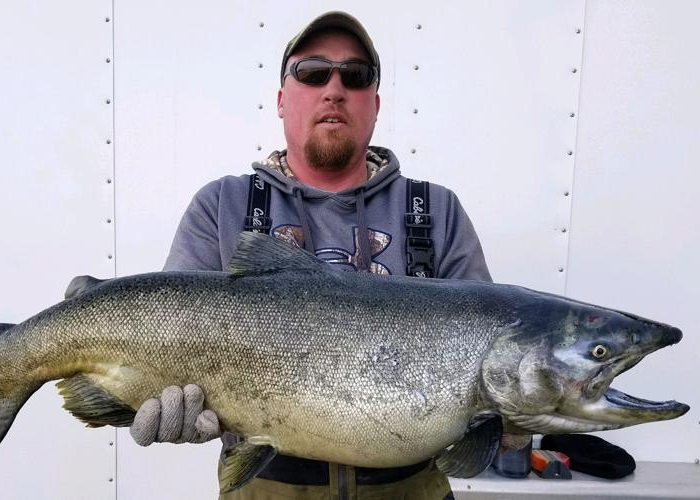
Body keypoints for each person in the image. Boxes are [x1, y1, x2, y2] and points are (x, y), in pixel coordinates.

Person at [129, 11, 491, 500]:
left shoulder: (436, 211)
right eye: (313, 72)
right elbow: (166, 338)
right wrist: (165, 398)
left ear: (375, 104)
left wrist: (511, 421)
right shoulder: (222, 205)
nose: (334, 89)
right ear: (282, 100)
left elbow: (493, 364)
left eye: (355, 75)